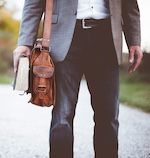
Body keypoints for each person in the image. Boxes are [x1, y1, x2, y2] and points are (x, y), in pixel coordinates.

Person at [13, 0, 143, 158]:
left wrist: (134, 40)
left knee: (108, 116)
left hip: (107, 37)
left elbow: (129, 4)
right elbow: (33, 3)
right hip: (65, 37)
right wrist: (25, 42)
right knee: (62, 116)